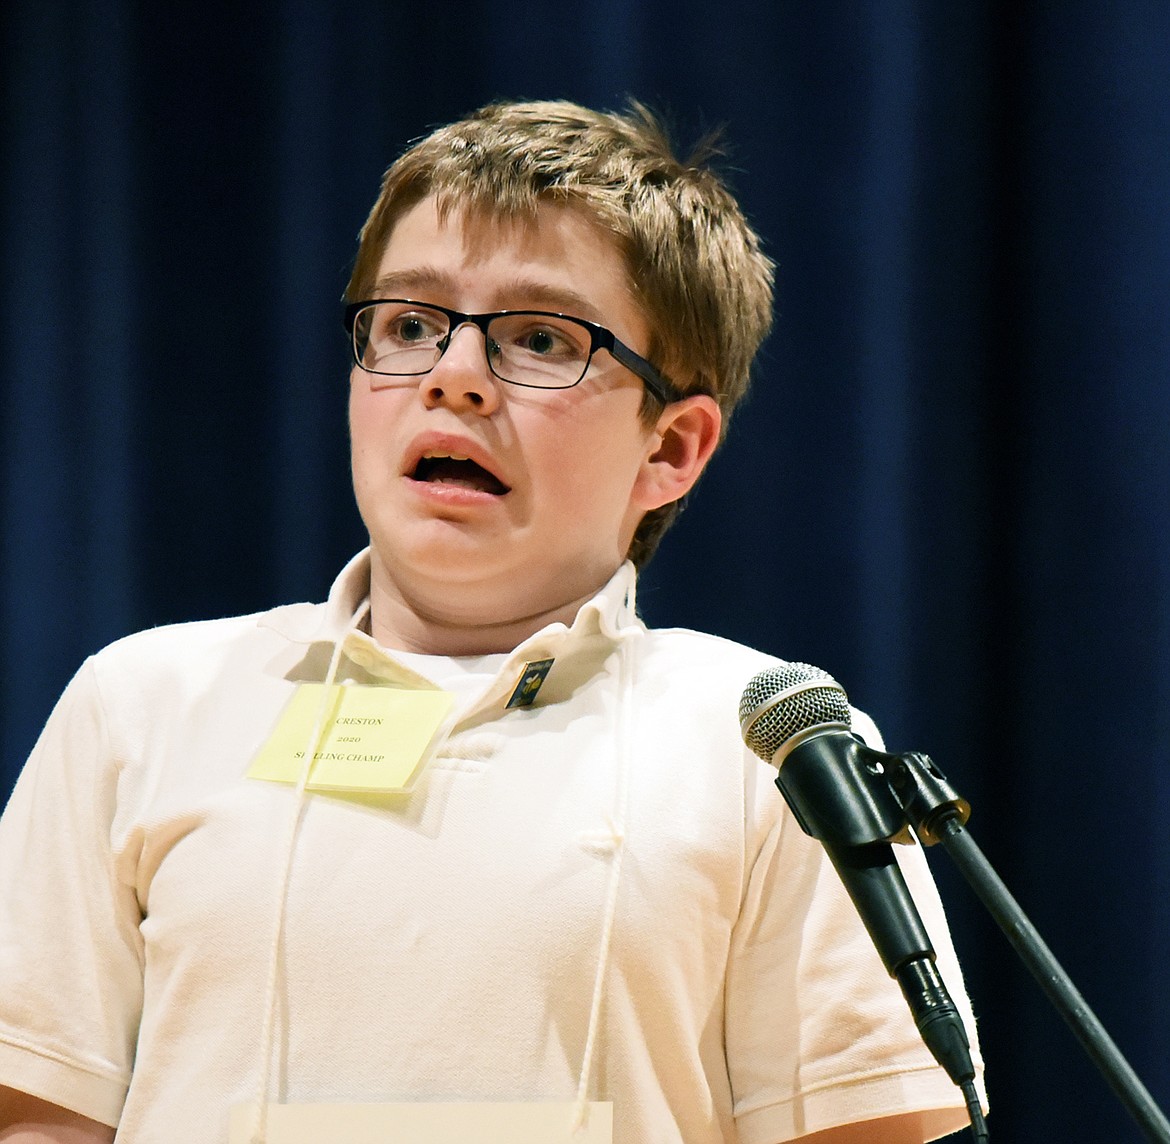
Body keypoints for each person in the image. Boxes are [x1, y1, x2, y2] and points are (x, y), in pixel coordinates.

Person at [0, 99, 983, 1143]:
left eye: (540, 339)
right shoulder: (146, 701)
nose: (451, 377)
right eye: (411, 324)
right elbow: (44, 1115)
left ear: (673, 449)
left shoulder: (763, 742)